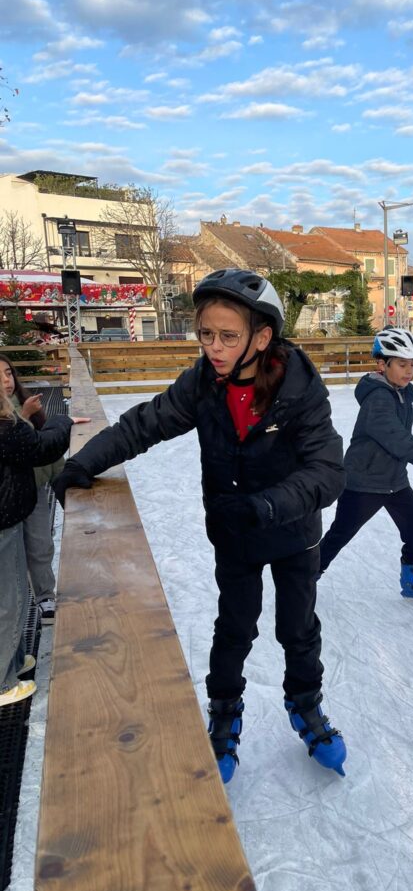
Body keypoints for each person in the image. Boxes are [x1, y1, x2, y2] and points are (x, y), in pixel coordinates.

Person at [53, 269, 347, 781]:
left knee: (297, 628)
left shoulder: (299, 388)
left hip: (293, 532)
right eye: (206, 334)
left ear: (262, 337)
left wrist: (266, 506)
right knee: (234, 627)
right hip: (235, 533)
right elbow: (146, 422)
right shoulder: (204, 383)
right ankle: (225, 712)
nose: (214, 347)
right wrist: (85, 462)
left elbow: (328, 471)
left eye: (228, 336)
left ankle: (305, 703)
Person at [319, 327, 413, 600]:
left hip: (394, 481)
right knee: (340, 535)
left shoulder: (403, 391)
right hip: (364, 482)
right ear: (382, 365)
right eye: (402, 364)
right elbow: (400, 442)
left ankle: (412, 580)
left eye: (412, 364)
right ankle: (304, 578)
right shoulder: (378, 400)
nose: (409, 371)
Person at [0, 369, 88, 708]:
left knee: (14, 593)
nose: (6, 380)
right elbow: (41, 448)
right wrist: (61, 422)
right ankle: (3, 682)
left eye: (8, 372)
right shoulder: (5, 425)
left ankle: (12, 661)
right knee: (9, 600)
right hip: (5, 518)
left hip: (12, 511)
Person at [0, 354, 62, 623]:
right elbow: (14, 443)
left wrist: (61, 478)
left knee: (40, 543)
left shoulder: (23, 401)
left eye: (8, 373)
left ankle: (45, 594)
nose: (6, 381)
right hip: (7, 497)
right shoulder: (13, 412)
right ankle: (16, 616)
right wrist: (24, 415)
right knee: (12, 556)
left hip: (33, 487)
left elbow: (42, 446)